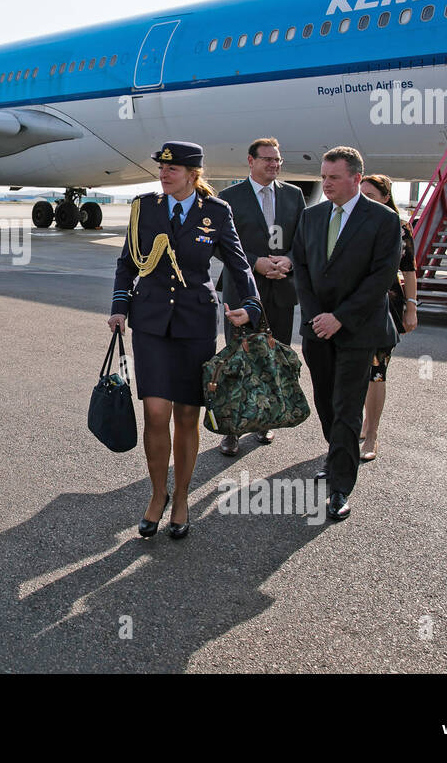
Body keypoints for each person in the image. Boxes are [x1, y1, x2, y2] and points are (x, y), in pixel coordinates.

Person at [107, 141, 262, 540]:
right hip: (152, 322)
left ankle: (181, 498)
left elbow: (238, 262)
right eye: (161, 167)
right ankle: (157, 495)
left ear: (193, 174)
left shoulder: (216, 212)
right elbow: (127, 262)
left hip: (194, 322)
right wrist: (119, 306)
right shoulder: (145, 208)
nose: (163, 173)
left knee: (187, 416)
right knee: (157, 413)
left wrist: (251, 305)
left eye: (172, 169)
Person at [292, 146, 402, 521]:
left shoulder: (383, 220)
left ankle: (340, 486)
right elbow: (302, 270)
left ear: (356, 179)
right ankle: (338, 451)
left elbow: (381, 277)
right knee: (325, 401)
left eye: (333, 178)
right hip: (317, 329)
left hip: (358, 330)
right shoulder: (311, 217)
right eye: (323, 177)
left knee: (347, 406)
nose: (325, 184)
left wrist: (340, 317)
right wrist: (316, 316)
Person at [215, 137, 306, 455]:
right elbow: (218, 244)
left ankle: (263, 419)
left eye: (278, 160)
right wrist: (256, 262)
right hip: (242, 292)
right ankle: (231, 429)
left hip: (281, 289)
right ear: (250, 161)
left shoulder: (294, 196)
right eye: (267, 159)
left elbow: (302, 239)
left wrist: (290, 259)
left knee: (272, 357)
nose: (274, 164)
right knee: (238, 358)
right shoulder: (228, 198)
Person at [357, 174, 418, 461]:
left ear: (385, 198)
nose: (365, 199)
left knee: (376, 372)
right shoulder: (352, 221)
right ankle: (360, 425)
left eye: (371, 195)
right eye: (362, 193)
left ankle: (372, 435)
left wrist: (412, 308)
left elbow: (409, 270)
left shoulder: (400, 227)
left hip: (387, 305)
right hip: (353, 306)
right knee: (356, 371)